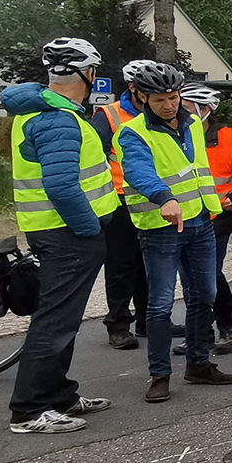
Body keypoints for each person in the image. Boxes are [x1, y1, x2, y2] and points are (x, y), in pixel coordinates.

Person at [1, 38, 119, 433]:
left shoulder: (45, 110)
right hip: (67, 234)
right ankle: (30, 410)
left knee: (62, 318)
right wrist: (89, 229)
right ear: (87, 74)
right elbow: (63, 186)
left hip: (55, 231)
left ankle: (59, 394)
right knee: (55, 320)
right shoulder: (56, 119)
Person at [118, 63, 232, 403]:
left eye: (173, 97)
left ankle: (198, 364)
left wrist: (213, 206)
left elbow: (200, 169)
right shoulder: (133, 133)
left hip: (200, 222)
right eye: (160, 99)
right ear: (141, 96)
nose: (170, 105)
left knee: (204, 295)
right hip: (161, 228)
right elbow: (139, 172)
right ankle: (159, 374)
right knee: (159, 305)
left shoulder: (192, 125)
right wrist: (164, 198)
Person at [181, 85, 232, 356]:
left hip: (218, 217)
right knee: (189, 278)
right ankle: (200, 335)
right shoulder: (176, 136)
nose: (177, 113)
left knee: (209, 275)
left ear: (205, 110)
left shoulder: (229, 138)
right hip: (185, 216)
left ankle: (226, 326)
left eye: (185, 108)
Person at [90, 60, 150, 350]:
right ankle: (117, 324)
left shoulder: (158, 115)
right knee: (121, 263)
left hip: (151, 199)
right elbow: (93, 158)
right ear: (133, 89)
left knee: (147, 262)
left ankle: (148, 319)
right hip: (120, 200)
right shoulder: (110, 116)